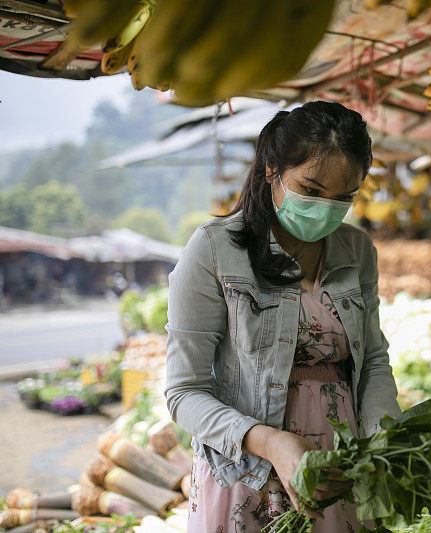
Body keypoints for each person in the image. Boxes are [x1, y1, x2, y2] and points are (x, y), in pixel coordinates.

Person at [165, 101, 402, 532]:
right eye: (311, 190)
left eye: (343, 197)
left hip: (339, 472)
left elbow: (372, 362)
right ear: (273, 170)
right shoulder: (215, 251)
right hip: (247, 473)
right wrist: (271, 443)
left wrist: (383, 436)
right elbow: (184, 394)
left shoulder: (358, 251)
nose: (326, 209)